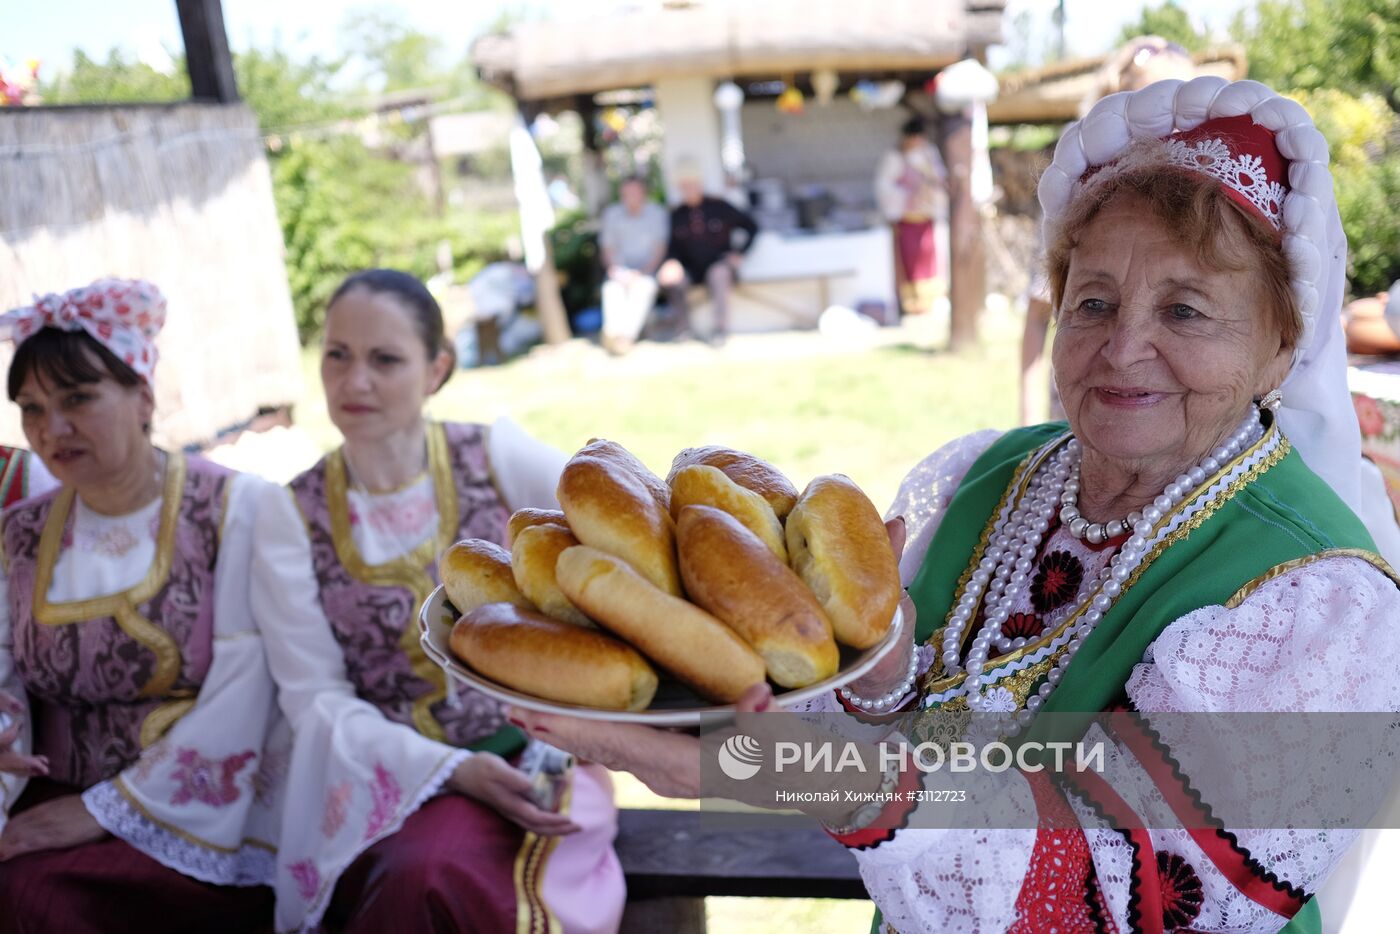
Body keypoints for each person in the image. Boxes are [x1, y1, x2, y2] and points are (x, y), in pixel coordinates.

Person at [506, 79, 1400, 932]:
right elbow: (899, 743)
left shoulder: (1320, 603)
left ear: (1284, 344)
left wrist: (778, 773)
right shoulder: (993, 475)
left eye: (1187, 310)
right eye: (1093, 302)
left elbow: (1129, 891)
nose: (1124, 349)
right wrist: (872, 672)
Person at [250, 269, 625, 933]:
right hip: (383, 777)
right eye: (337, 355)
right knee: (419, 871)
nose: (354, 381)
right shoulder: (290, 513)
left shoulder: (497, 456)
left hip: (540, 760)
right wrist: (450, 769)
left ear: (437, 369)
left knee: (429, 872)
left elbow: (620, 539)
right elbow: (315, 700)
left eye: (385, 360)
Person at [0, 278, 285, 930]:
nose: (53, 428)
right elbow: (3, 674)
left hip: (209, 804)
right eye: (31, 408)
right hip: (58, 795)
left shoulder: (235, 509)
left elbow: (250, 689)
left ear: (144, 397)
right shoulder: (19, 532)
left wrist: (107, 809)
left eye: (78, 398)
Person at [1020, 36, 1197, 424]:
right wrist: (1029, 422)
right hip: (1082, 411)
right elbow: (1038, 312)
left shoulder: (1210, 207)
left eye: (1181, 105)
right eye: (1147, 102)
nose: (1165, 124)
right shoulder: (1076, 192)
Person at [656, 163, 759, 345]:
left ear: (700, 184)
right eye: (684, 185)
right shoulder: (677, 214)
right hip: (691, 269)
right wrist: (671, 263)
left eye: (692, 184)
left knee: (718, 274)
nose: (689, 189)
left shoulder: (719, 206)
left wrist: (740, 253)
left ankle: (720, 330)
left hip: (719, 265)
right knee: (672, 279)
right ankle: (684, 330)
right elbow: (672, 248)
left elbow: (751, 226)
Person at [874, 116, 947, 316]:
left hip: (927, 216)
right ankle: (910, 304)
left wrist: (929, 187)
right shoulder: (894, 157)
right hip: (906, 218)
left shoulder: (929, 154)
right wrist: (907, 197)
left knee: (929, 258)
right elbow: (883, 186)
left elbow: (939, 178)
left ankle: (930, 302)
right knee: (908, 260)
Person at [599, 175, 669, 355]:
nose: (630, 196)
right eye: (626, 193)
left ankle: (624, 338)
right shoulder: (612, 214)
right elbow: (608, 248)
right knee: (611, 289)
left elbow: (659, 250)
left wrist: (640, 273)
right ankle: (613, 333)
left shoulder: (656, 213)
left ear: (643, 193)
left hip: (646, 272)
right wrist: (616, 271)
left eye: (634, 192)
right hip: (620, 271)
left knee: (642, 288)